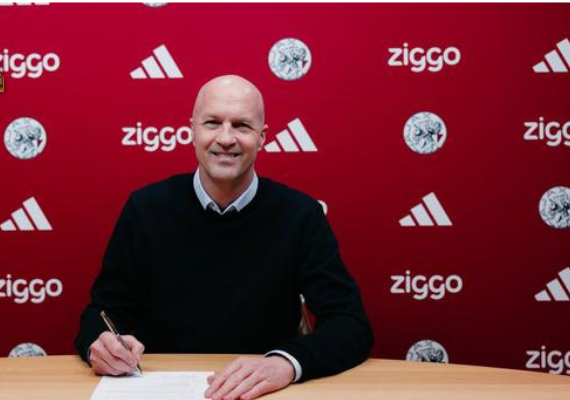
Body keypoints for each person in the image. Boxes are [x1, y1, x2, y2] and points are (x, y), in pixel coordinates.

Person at [75, 75, 373, 400]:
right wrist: (100, 344)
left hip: (263, 393)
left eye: (242, 125)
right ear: (192, 131)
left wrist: (287, 363)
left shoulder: (300, 215)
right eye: (213, 123)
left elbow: (350, 325)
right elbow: (103, 312)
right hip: (161, 389)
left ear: (262, 137)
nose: (226, 138)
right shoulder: (145, 208)